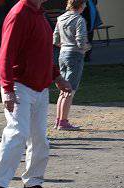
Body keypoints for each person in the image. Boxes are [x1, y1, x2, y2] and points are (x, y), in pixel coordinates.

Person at [0, 0, 72, 188]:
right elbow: (5, 54)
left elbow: (43, 52)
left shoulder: (39, 13)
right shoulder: (19, 13)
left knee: (39, 138)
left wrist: (56, 76)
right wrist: (7, 88)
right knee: (17, 132)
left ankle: (32, 181)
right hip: (19, 85)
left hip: (39, 87)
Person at [54, 0, 89, 131]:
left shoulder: (60, 18)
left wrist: (65, 46)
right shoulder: (79, 19)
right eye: (84, 4)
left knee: (63, 89)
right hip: (75, 55)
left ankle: (59, 120)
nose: (85, 6)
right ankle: (63, 122)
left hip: (62, 54)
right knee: (70, 90)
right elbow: (81, 41)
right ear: (80, 5)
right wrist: (87, 47)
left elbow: (55, 40)